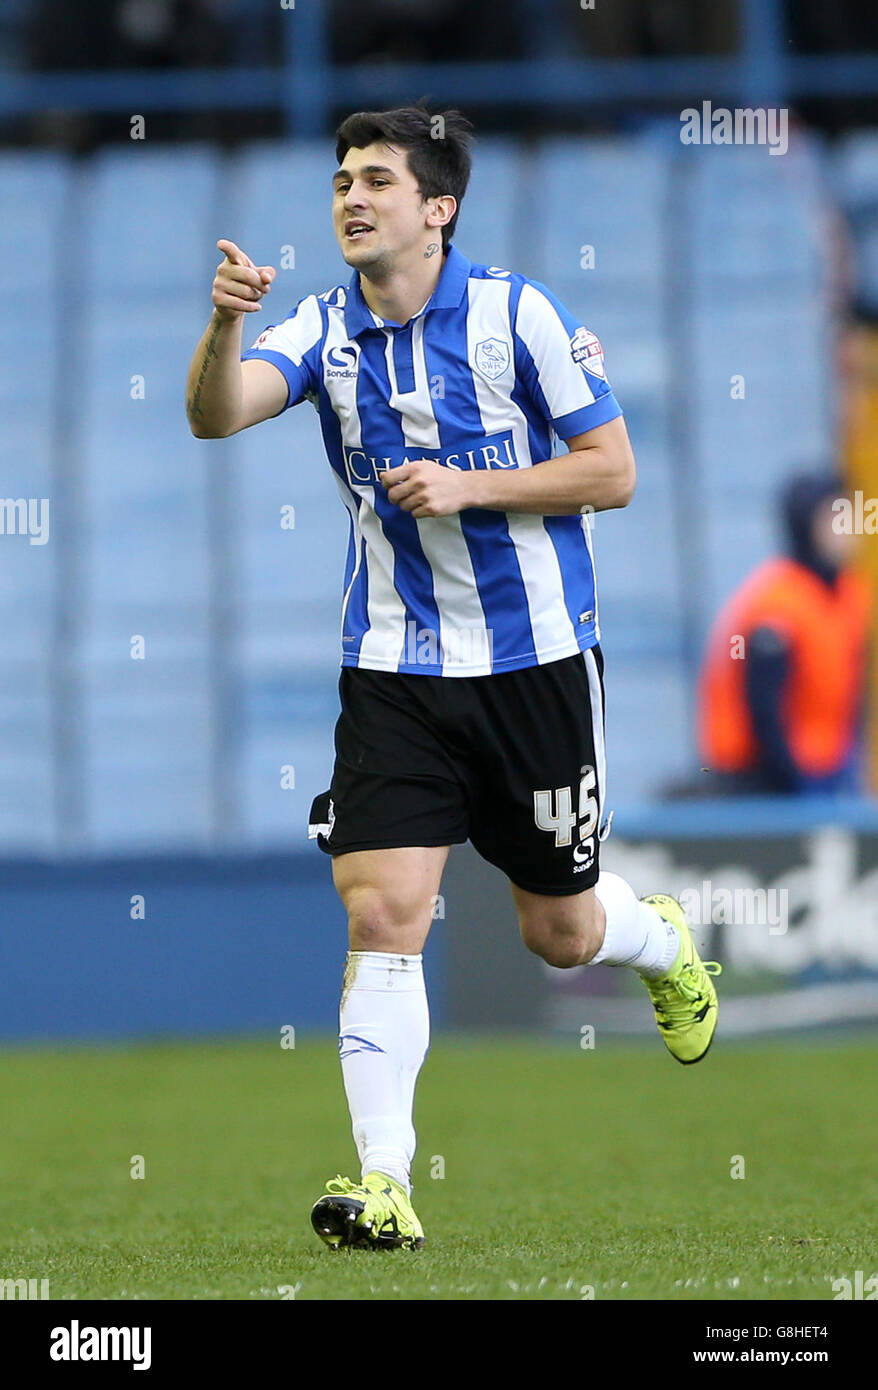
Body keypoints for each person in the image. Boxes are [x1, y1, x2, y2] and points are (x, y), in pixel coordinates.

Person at [185, 105, 721, 1252]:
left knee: (559, 934)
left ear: (438, 209)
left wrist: (470, 489)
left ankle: (660, 939)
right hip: (391, 667)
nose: (349, 196)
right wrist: (225, 329)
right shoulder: (321, 329)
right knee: (383, 910)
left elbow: (612, 471)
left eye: (375, 178)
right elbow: (216, 416)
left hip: (533, 665)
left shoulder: (520, 314)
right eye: (338, 179)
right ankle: (385, 1183)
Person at [698, 472, 872, 795]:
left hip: (830, 768)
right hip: (766, 778)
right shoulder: (774, 602)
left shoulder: (851, 594)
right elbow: (762, 706)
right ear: (808, 524)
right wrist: (789, 783)